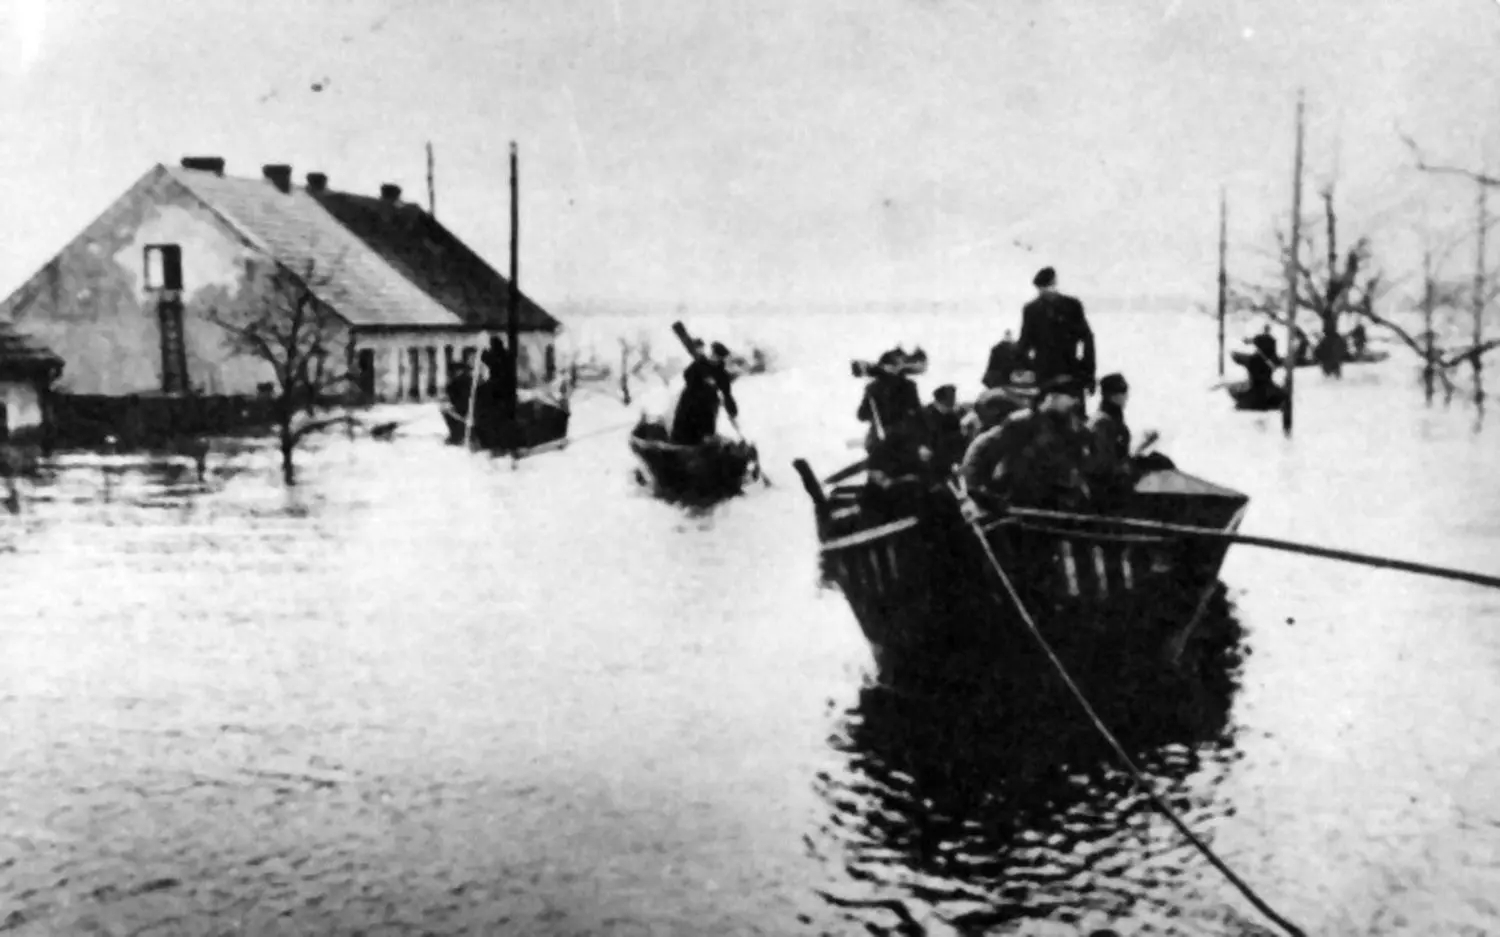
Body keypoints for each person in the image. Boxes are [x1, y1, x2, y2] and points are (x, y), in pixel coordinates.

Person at [959, 374, 1092, 512]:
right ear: (1052, 397)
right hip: (1018, 502)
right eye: (1070, 397)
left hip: (1048, 503)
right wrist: (978, 493)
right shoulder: (1022, 422)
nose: (1075, 402)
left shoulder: (1065, 426)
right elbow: (981, 451)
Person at [1014, 267, 1096, 394]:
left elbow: (1024, 344)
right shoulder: (1070, 305)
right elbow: (1087, 339)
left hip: (1054, 375)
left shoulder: (1033, 309)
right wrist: (1088, 374)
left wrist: (1088, 373)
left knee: (1053, 411)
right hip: (1062, 374)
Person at [670, 340, 738, 445]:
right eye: (713, 354)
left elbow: (726, 393)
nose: (713, 357)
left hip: (707, 407)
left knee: (704, 433)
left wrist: (732, 411)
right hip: (690, 401)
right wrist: (703, 379)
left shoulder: (721, 374)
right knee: (683, 428)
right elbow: (687, 375)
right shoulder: (700, 363)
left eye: (717, 356)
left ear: (720, 358)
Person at [856, 350, 923, 451]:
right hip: (899, 437)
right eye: (893, 364)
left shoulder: (873, 387)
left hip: (886, 438)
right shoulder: (909, 385)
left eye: (897, 365)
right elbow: (862, 415)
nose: (896, 368)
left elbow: (862, 415)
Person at [919, 384, 968, 476]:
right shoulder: (923, 415)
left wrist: (957, 461)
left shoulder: (953, 417)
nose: (954, 400)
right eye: (951, 398)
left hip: (949, 463)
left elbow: (958, 441)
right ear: (940, 399)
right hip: (928, 465)